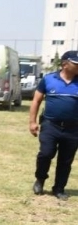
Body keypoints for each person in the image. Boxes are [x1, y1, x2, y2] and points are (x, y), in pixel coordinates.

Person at [29, 50, 78, 201]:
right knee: (45, 153)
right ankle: (40, 179)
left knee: (65, 160)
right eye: (76, 64)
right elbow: (36, 101)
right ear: (64, 64)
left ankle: (59, 188)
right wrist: (32, 122)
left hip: (73, 128)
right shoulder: (49, 79)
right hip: (51, 125)